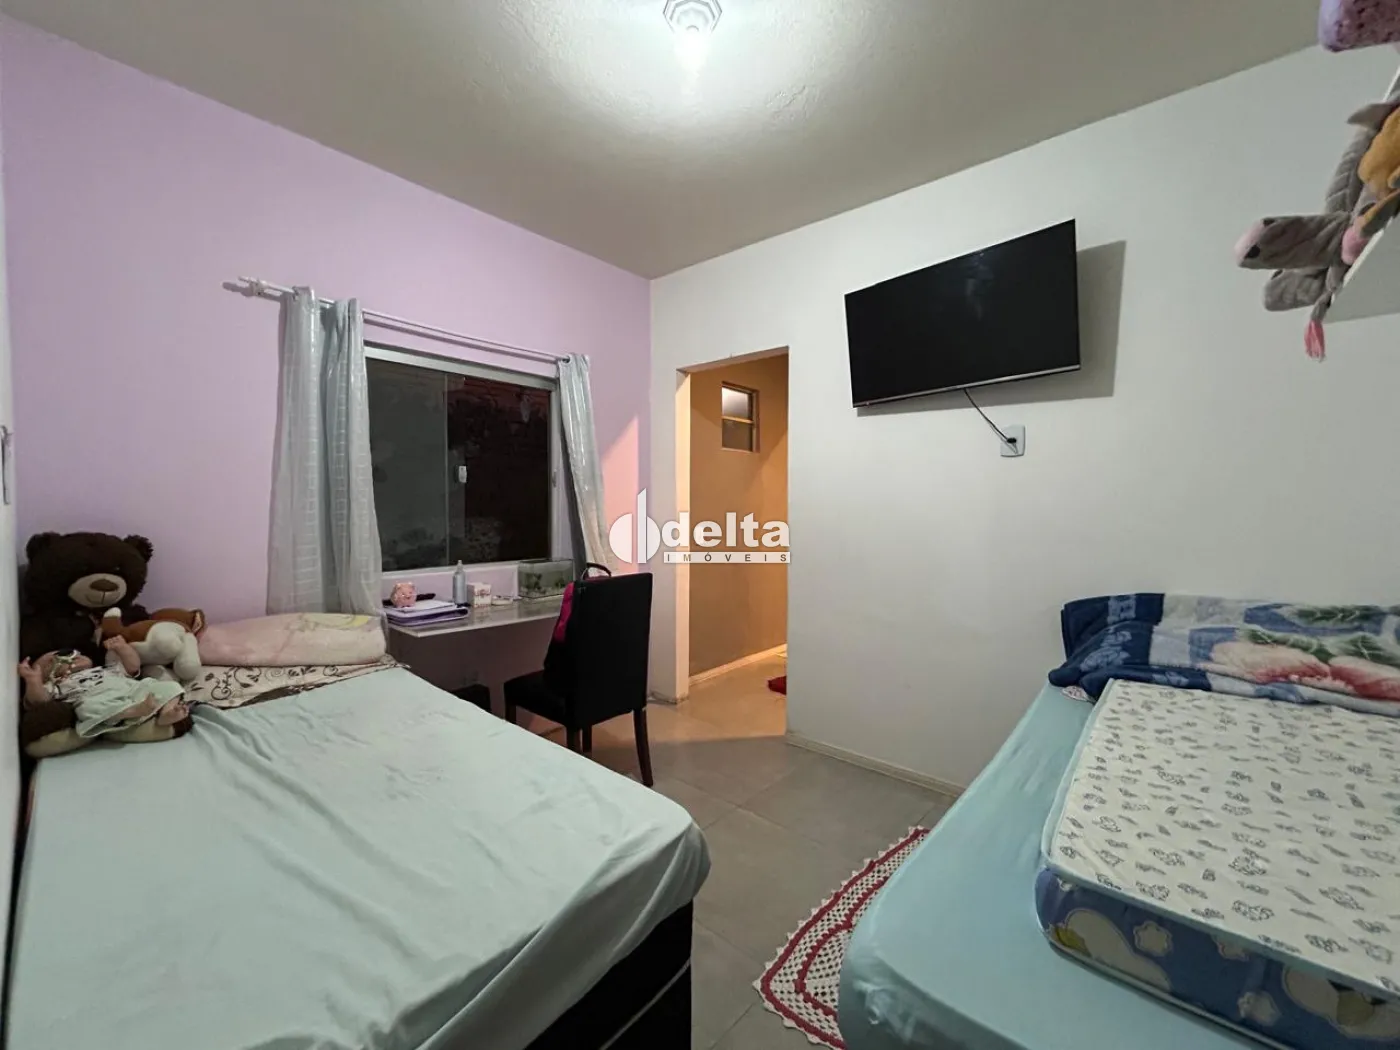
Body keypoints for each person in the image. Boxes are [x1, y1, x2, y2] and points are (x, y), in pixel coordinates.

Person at [18, 636, 189, 740]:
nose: (71, 656)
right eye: (52, 661)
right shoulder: (58, 686)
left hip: (133, 691)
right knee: (86, 709)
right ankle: (131, 712)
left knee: (167, 685)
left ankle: (167, 713)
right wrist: (33, 681)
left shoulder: (106, 669)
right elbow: (39, 701)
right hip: (101, 701)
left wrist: (123, 648)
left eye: (70, 652)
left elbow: (133, 667)